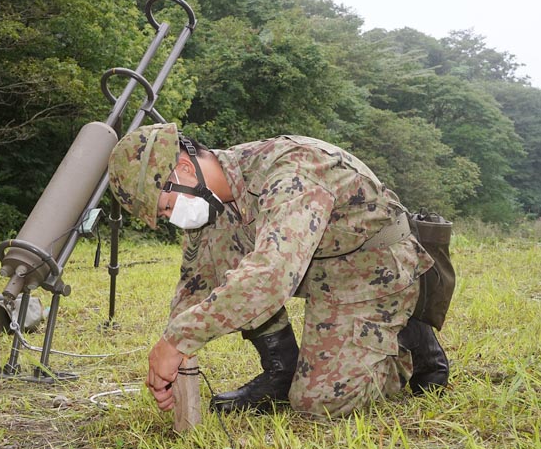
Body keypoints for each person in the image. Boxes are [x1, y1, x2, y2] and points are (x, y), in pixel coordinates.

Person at [107, 122, 450, 417]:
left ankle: (408, 337)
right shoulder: (216, 201)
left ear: (183, 169)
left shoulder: (292, 171)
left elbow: (271, 276)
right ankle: (281, 370)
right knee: (224, 250)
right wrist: (173, 359)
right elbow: (194, 284)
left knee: (321, 404)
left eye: (166, 207)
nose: (172, 217)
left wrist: (178, 340)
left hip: (374, 268)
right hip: (321, 269)